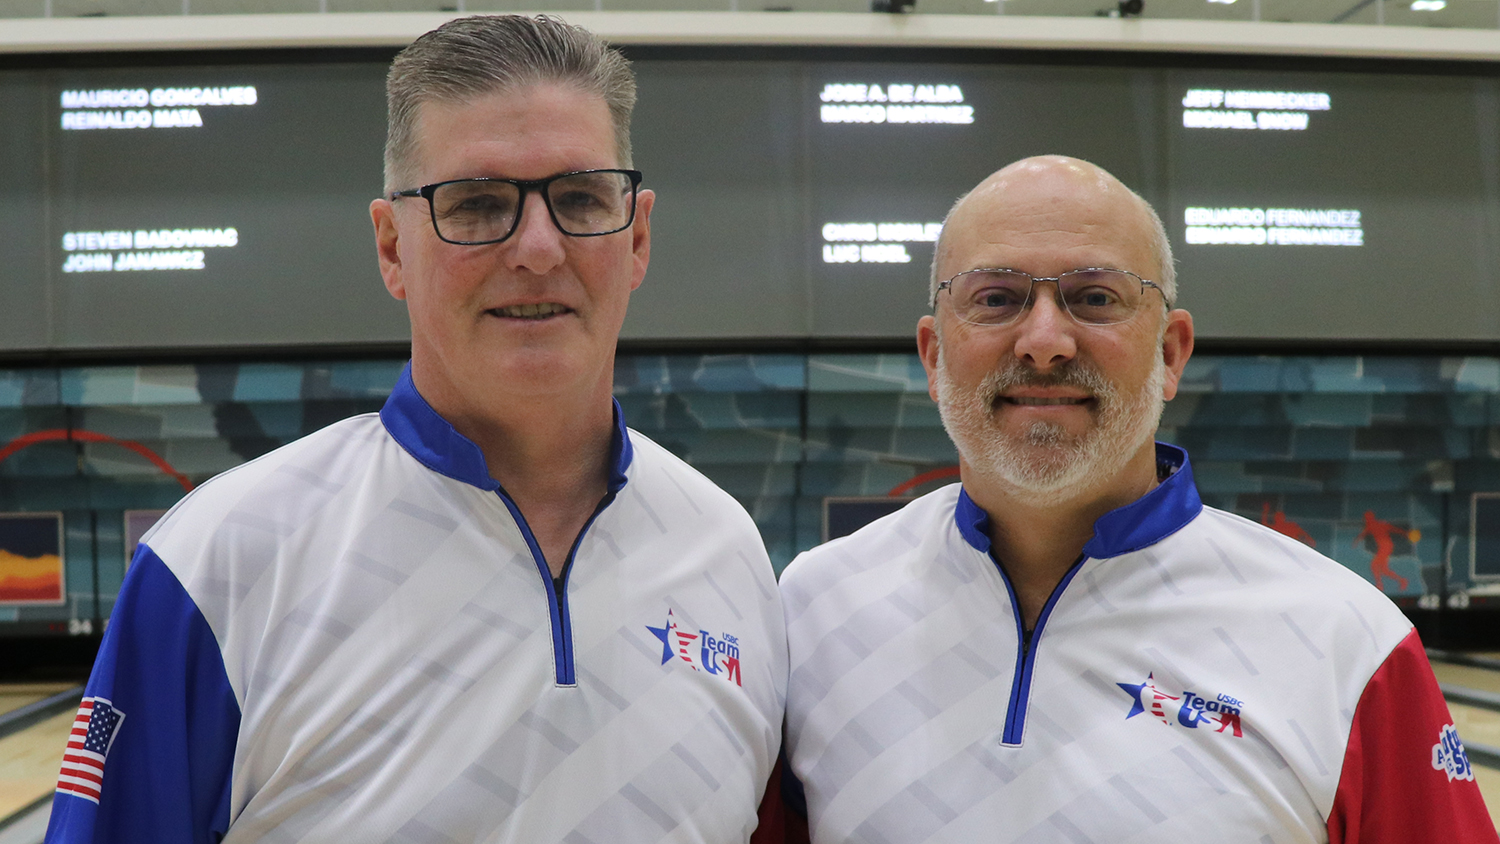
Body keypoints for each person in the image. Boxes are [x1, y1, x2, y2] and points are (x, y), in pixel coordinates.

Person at [46, 15, 786, 843]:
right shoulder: (219, 559)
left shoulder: (728, 551)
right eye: (476, 205)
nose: (538, 249)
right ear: (393, 248)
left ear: (637, 236)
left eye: (579, 199)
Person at [777, 156, 1494, 842]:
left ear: (1171, 353)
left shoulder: (1347, 640)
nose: (1045, 341)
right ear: (934, 356)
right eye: (995, 298)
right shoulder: (812, 610)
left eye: (1095, 297)